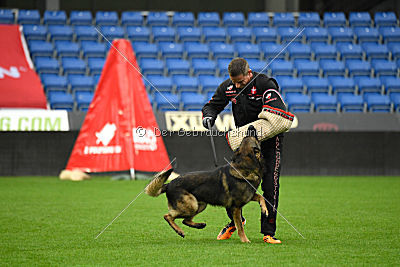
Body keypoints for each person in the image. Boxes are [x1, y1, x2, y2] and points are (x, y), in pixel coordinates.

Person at [201, 57, 286, 244]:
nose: (237, 86)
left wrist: (260, 129)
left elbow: (276, 111)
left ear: (249, 73)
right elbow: (211, 106)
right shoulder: (228, 87)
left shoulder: (265, 84)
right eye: (234, 82)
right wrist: (208, 116)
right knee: (229, 183)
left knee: (270, 187)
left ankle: (268, 233)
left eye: (240, 81)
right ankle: (235, 221)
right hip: (244, 145)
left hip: (270, 143)